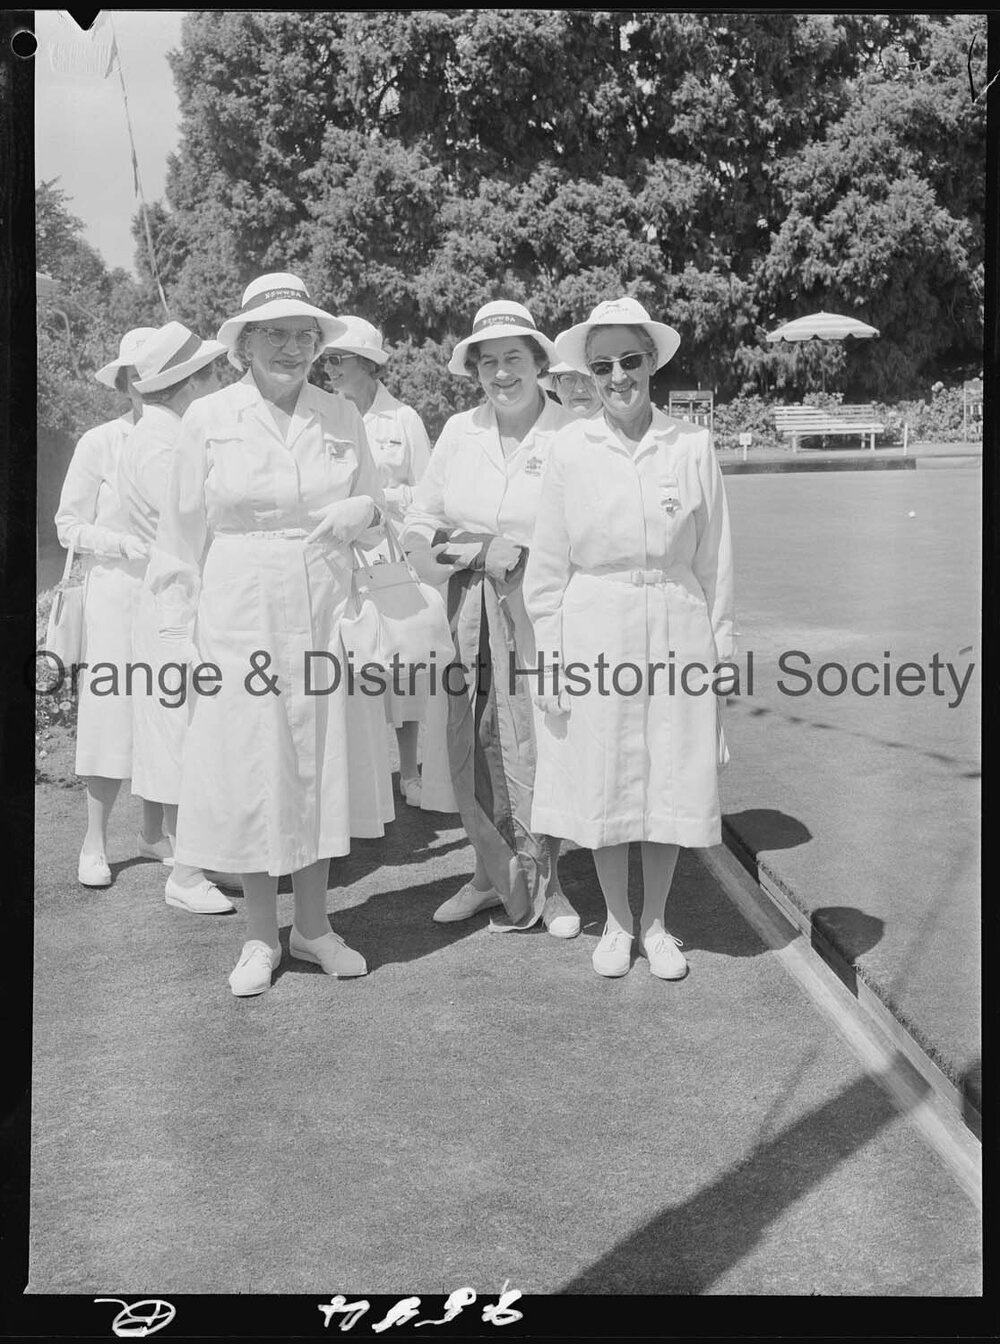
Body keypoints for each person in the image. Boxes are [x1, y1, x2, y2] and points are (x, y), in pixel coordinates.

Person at [147, 273, 393, 997]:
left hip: (324, 602)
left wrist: (366, 516)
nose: (291, 347)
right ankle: (260, 935)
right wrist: (176, 639)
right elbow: (178, 538)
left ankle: (313, 927)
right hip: (238, 604)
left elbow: (379, 508)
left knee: (318, 759)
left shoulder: (341, 414)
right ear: (244, 343)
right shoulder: (209, 419)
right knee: (252, 764)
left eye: (304, 335)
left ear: (321, 345)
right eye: (275, 334)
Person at [523, 296, 735, 980]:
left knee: (669, 775)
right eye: (604, 364)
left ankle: (658, 923)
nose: (619, 376)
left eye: (631, 360)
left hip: (677, 623)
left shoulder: (693, 445)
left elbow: (715, 564)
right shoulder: (567, 449)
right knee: (608, 774)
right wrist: (551, 661)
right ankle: (616, 922)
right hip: (596, 626)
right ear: (587, 373)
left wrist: (720, 658)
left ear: (653, 363)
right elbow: (549, 566)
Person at [402, 299, 580, 939]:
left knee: (543, 751)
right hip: (465, 624)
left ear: (539, 363)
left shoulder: (571, 433)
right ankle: (489, 877)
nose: (501, 373)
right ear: (474, 369)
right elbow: (419, 530)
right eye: (488, 362)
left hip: (546, 624)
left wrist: (526, 559)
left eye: (514, 359)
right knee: (476, 750)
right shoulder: (457, 431)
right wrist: (475, 549)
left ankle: (548, 887)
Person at [117, 320, 235, 916]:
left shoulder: (165, 432)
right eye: (212, 373)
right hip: (176, 602)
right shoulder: (161, 441)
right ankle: (186, 873)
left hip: (187, 595)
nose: (220, 381)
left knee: (196, 730)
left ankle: (207, 857)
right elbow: (195, 518)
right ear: (188, 382)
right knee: (190, 733)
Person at [55, 326, 168, 887]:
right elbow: (66, 525)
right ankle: (94, 842)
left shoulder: (187, 438)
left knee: (168, 709)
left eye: (159, 371)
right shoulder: (99, 441)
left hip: (172, 593)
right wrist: (118, 543)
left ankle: (154, 835)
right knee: (110, 710)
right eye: (139, 374)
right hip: (116, 592)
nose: (148, 383)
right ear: (125, 382)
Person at [320, 316, 439, 809]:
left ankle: (410, 770)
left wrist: (381, 499)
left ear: (366, 364)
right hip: (339, 558)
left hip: (388, 554)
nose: (327, 368)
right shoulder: (323, 417)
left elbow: (430, 490)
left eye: (336, 359)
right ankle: (358, 776)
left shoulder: (403, 419)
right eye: (325, 360)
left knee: (401, 662)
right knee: (351, 667)